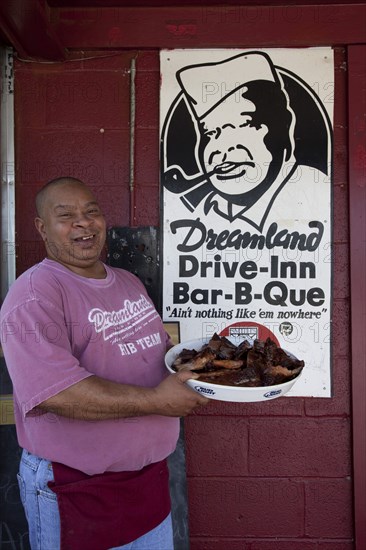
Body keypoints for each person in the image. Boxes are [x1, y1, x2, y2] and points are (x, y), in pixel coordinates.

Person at [0, 176, 209, 550]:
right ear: (41, 228)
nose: (83, 222)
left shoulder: (128, 282)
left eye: (91, 211)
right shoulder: (35, 294)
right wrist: (160, 402)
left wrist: (209, 374)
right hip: (77, 488)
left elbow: (159, 357)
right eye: (66, 216)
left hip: (148, 483)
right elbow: (58, 394)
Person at [163, 50, 331, 232]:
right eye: (210, 133)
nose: (220, 149)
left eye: (243, 125)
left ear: (283, 129)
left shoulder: (310, 192)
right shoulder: (207, 207)